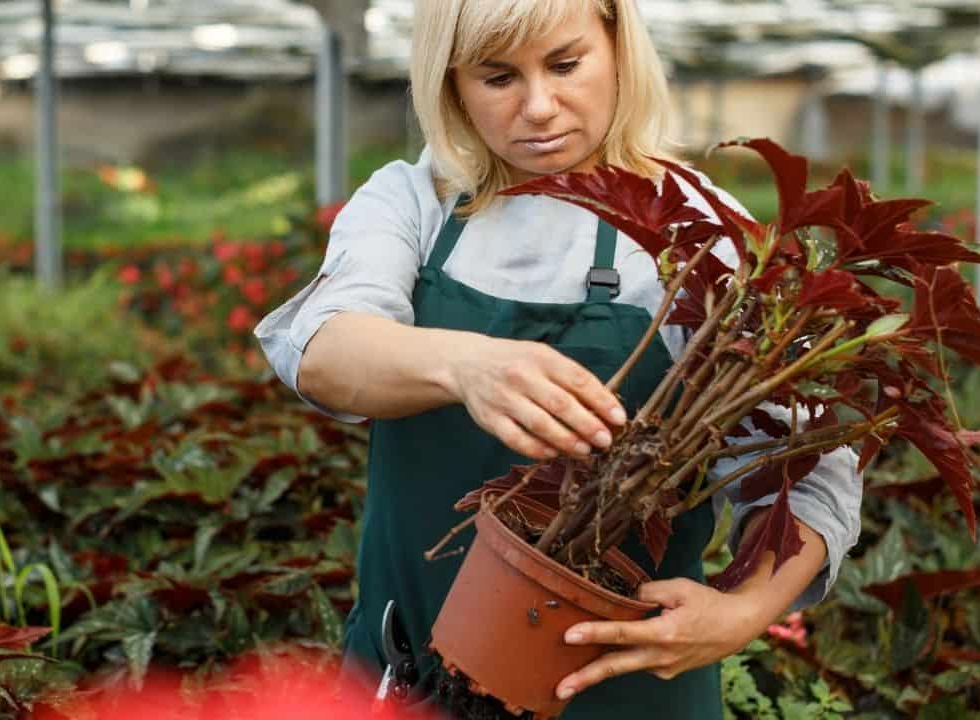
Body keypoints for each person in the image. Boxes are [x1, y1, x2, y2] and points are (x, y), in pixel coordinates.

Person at [254, 0, 862, 717]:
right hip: (406, 681)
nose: (539, 107)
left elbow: (805, 465)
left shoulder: (699, 232)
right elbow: (325, 345)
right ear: (450, 83)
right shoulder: (416, 203)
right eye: (498, 77)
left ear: (617, 46)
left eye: (566, 64)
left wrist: (743, 613)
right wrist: (466, 366)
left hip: (623, 691)